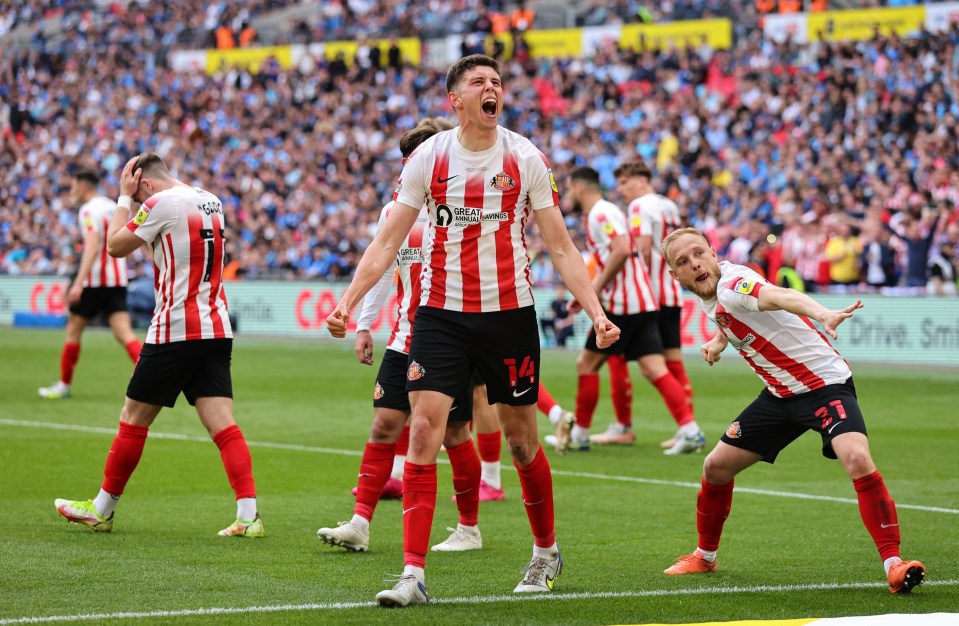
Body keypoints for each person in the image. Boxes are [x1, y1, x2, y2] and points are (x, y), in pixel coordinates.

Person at [326, 54, 619, 607]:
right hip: (439, 317)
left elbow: (560, 245)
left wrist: (596, 311)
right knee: (422, 431)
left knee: (521, 440)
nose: (492, 88)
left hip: (508, 316)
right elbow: (387, 242)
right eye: (479, 82)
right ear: (454, 101)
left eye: (497, 82)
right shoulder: (429, 158)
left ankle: (545, 550)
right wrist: (348, 304)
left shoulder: (525, 156)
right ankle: (413, 574)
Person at [659, 227, 925, 595]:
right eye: (683, 262)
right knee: (715, 468)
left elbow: (778, 296)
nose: (695, 264)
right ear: (675, 275)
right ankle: (705, 556)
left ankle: (894, 564)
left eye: (699, 253)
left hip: (823, 386)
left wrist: (821, 313)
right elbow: (732, 316)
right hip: (779, 395)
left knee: (858, 459)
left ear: (713, 252)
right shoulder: (716, 294)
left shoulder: (731, 284)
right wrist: (719, 341)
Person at [54, 154, 263, 538]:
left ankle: (101, 509)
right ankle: (248, 516)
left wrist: (122, 200)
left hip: (176, 328)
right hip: (215, 327)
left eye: (136, 190)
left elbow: (115, 247)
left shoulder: (159, 202)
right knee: (223, 423)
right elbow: (166, 249)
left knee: (133, 416)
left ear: (143, 183)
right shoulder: (210, 199)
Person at [317, 117, 486, 554]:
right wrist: (365, 324)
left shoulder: (465, 207)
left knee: (453, 435)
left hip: (452, 338)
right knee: (383, 425)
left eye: (421, 156)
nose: (413, 167)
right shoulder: (395, 211)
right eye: (409, 159)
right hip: (404, 336)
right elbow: (382, 267)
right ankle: (360, 524)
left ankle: (469, 527)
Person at [562, 167, 703, 454]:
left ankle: (585, 433)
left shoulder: (608, 212)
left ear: (578, 187)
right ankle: (690, 429)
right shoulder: (663, 205)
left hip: (625, 302)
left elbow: (626, 249)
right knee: (656, 367)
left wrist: (596, 289)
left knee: (587, 364)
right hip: (651, 297)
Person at [38, 168, 143, 399]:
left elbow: (92, 246)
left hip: (94, 281)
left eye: (74, 186)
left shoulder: (88, 210)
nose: (72, 191)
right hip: (117, 279)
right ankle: (151, 376)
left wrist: (78, 282)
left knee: (73, 331)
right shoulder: (112, 205)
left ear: (84, 186)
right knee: (124, 333)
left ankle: (64, 385)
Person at [615, 160, 697, 450]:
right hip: (673, 293)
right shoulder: (668, 205)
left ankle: (622, 425)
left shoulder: (639, 206)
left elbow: (644, 248)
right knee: (674, 362)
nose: (621, 189)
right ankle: (687, 426)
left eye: (624, 182)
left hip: (650, 295)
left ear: (640, 180)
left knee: (620, 356)